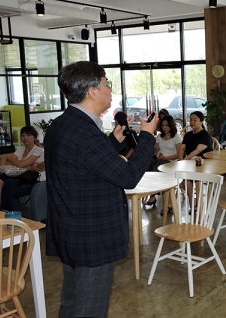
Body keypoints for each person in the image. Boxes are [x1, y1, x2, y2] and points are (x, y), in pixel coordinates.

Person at [45, 61, 159, 318]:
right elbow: (127, 176)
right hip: (90, 237)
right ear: (92, 91)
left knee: (72, 302)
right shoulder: (86, 133)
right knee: (89, 309)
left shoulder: (64, 124)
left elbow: (84, 165)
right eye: (107, 83)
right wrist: (147, 136)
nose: (110, 89)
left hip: (71, 231)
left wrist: (112, 142)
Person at [0, 125, 44, 210]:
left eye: (28, 135)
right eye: (23, 135)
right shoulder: (21, 149)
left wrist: (13, 160)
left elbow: (20, 164)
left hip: (25, 176)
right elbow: (8, 163)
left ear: (34, 137)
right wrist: (20, 163)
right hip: (14, 173)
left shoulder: (38, 150)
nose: (25, 138)